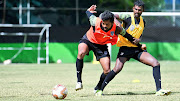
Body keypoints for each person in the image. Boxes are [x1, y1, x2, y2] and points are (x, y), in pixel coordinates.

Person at [95, 0, 171, 96]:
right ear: (133, 8)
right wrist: (118, 24)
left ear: (143, 10)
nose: (137, 11)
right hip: (125, 49)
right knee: (117, 69)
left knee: (156, 63)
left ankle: (159, 90)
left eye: (139, 10)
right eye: (135, 9)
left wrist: (139, 42)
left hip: (136, 49)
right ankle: (100, 90)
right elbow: (111, 14)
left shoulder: (143, 22)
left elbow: (139, 36)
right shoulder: (127, 17)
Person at [75, 5, 144, 91]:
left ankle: (98, 87)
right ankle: (79, 81)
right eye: (103, 23)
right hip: (88, 40)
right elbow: (89, 14)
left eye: (107, 24)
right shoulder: (95, 21)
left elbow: (128, 36)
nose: (104, 26)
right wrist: (88, 10)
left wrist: (140, 45)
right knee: (81, 52)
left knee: (107, 70)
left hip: (101, 45)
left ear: (112, 22)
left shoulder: (117, 29)